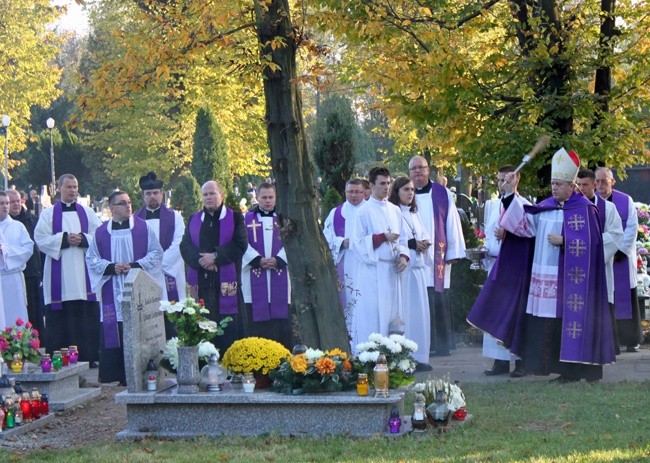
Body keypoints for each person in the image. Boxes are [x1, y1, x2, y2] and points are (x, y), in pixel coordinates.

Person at [500, 148, 615, 382]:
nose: (554, 188)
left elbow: (593, 243)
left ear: (571, 186)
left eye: (559, 184)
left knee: (569, 323)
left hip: (572, 280)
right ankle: (552, 368)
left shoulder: (584, 208)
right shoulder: (546, 206)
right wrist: (511, 193)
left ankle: (572, 372)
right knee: (548, 323)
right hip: (545, 274)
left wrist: (566, 240)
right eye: (552, 184)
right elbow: (522, 225)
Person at [86, 191, 163, 385]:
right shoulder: (101, 233)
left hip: (137, 285)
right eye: (122, 203)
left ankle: (142, 371)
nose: (128, 206)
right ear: (111, 208)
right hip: (112, 287)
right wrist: (111, 267)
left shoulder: (143, 228)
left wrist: (135, 265)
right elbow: (91, 258)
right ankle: (113, 374)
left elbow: (156, 253)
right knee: (114, 325)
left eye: (129, 202)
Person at [35, 174, 102, 364]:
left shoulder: (87, 212)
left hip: (83, 276)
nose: (73, 190)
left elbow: (99, 236)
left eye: (75, 187)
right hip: (60, 276)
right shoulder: (48, 214)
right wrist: (64, 239)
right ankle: (59, 358)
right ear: (59, 188)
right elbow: (40, 239)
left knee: (84, 315)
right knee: (60, 318)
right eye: (69, 187)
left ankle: (89, 356)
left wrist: (83, 239)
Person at [180, 180, 248, 353]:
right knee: (202, 328)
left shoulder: (235, 217)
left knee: (228, 330)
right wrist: (201, 261)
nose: (209, 197)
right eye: (205, 194)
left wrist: (216, 257)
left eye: (212, 193)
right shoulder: (194, 219)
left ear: (222, 195)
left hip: (225, 285)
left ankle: (230, 365)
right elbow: (185, 245)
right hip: (201, 287)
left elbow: (240, 244)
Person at [408, 156, 465, 356]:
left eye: (421, 168)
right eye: (413, 169)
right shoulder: (405, 193)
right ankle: (422, 345)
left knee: (438, 297)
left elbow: (452, 221)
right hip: (413, 257)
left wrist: (454, 252)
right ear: (409, 172)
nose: (418, 172)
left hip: (437, 257)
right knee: (418, 299)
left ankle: (442, 345)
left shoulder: (441, 193)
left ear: (428, 169)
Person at [475, 166, 528, 377]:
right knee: (495, 314)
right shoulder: (493, 205)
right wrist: (484, 252)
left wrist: (508, 234)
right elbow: (489, 236)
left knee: (513, 314)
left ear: (516, 179)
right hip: (495, 265)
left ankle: (520, 362)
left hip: (513, 269)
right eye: (498, 180)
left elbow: (526, 235)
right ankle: (499, 362)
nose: (501, 183)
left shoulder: (523, 204)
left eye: (505, 179)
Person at [349, 167, 409, 351]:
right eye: (382, 183)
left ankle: (393, 360)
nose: (387, 187)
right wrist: (381, 237)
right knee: (373, 318)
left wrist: (404, 257)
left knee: (393, 317)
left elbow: (404, 238)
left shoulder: (394, 210)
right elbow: (357, 243)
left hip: (392, 271)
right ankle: (370, 360)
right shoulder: (364, 211)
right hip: (372, 272)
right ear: (372, 185)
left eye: (389, 183)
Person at [576, 169, 624, 354]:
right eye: (578, 185)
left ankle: (601, 350)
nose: (581, 189)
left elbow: (616, 236)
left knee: (599, 311)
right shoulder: (570, 208)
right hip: (575, 271)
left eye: (585, 185)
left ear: (594, 185)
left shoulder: (608, 208)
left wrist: (589, 245)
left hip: (600, 268)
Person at [595, 167, 643, 352]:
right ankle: (610, 340)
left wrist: (619, 250)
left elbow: (631, 226)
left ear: (612, 182)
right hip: (603, 256)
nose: (600, 185)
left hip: (621, 256)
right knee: (607, 296)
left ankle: (631, 339)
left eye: (604, 181)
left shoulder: (625, 200)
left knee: (626, 297)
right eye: (597, 181)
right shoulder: (591, 202)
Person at [388, 177, 433, 370]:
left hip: (418, 270)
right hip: (404, 273)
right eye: (406, 189)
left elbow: (424, 234)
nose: (410, 193)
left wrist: (424, 243)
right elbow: (396, 240)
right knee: (406, 314)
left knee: (420, 315)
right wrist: (413, 245)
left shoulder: (414, 214)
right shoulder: (394, 212)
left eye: (412, 190)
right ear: (397, 191)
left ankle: (420, 356)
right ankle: (406, 358)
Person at [134, 172, 186, 339]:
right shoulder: (135, 220)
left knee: (171, 317)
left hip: (168, 274)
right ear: (143, 196)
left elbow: (179, 243)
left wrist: (158, 264)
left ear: (162, 194)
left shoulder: (175, 217)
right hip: (146, 275)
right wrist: (149, 264)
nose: (152, 197)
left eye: (155, 193)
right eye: (148, 194)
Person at [242, 183, 292, 348]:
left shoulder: (284, 218)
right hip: (255, 277)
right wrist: (257, 260)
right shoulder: (246, 219)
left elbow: (292, 242)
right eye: (264, 197)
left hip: (280, 276)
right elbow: (242, 243)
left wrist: (279, 259)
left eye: (271, 197)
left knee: (280, 325)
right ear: (256, 198)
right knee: (258, 326)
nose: (268, 201)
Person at [323, 179, 365, 335]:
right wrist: (341, 242)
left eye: (357, 192)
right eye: (350, 192)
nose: (354, 195)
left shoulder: (370, 211)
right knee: (347, 303)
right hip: (344, 262)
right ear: (345, 193)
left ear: (364, 192)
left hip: (365, 264)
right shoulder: (336, 213)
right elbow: (326, 237)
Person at [6, 189, 44, 340]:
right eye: (11, 202)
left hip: (31, 272)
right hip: (10, 274)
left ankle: (35, 341)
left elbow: (34, 246)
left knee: (34, 310)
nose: (16, 205)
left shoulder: (31, 219)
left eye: (17, 201)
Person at [0, 191, 34, 329]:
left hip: (13, 278)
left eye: (7, 203)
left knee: (15, 317)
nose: (5, 206)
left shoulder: (18, 226)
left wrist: (6, 251)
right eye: (1, 203)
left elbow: (28, 249)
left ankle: (17, 347)